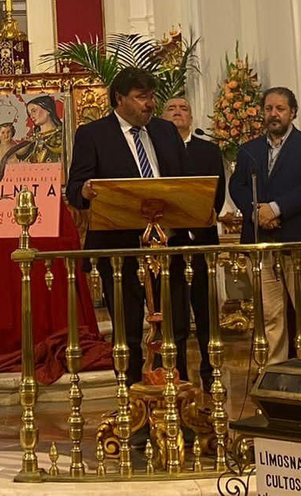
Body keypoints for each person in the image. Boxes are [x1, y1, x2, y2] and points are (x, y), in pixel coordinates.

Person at [66, 68, 186, 383]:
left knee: (175, 323)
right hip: (119, 246)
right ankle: (131, 390)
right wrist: (86, 190)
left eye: (151, 96)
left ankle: (176, 383)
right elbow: (74, 187)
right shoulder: (93, 134)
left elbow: (183, 182)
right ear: (120, 98)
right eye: (141, 97)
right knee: (128, 325)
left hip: (166, 242)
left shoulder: (165, 131)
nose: (149, 104)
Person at [228, 87, 301, 363]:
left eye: (280, 109)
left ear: (293, 112)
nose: (273, 114)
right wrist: (254, 212)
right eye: (269, 108)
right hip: (262, 244)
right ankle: (276, 376)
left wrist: (275, 209)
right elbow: (236, 185)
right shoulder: (249, 150)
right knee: (270, 316)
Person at [160, 95, 226, 390]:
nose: (178, 113)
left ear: (191, 117)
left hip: (202, 240)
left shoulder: (208, 150)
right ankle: (178, 375)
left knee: (206, 310)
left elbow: (218, 192)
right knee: (174, 314)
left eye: (183, 108)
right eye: (171, 109)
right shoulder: (156, 150)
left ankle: (210, 372)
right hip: (169, 242)